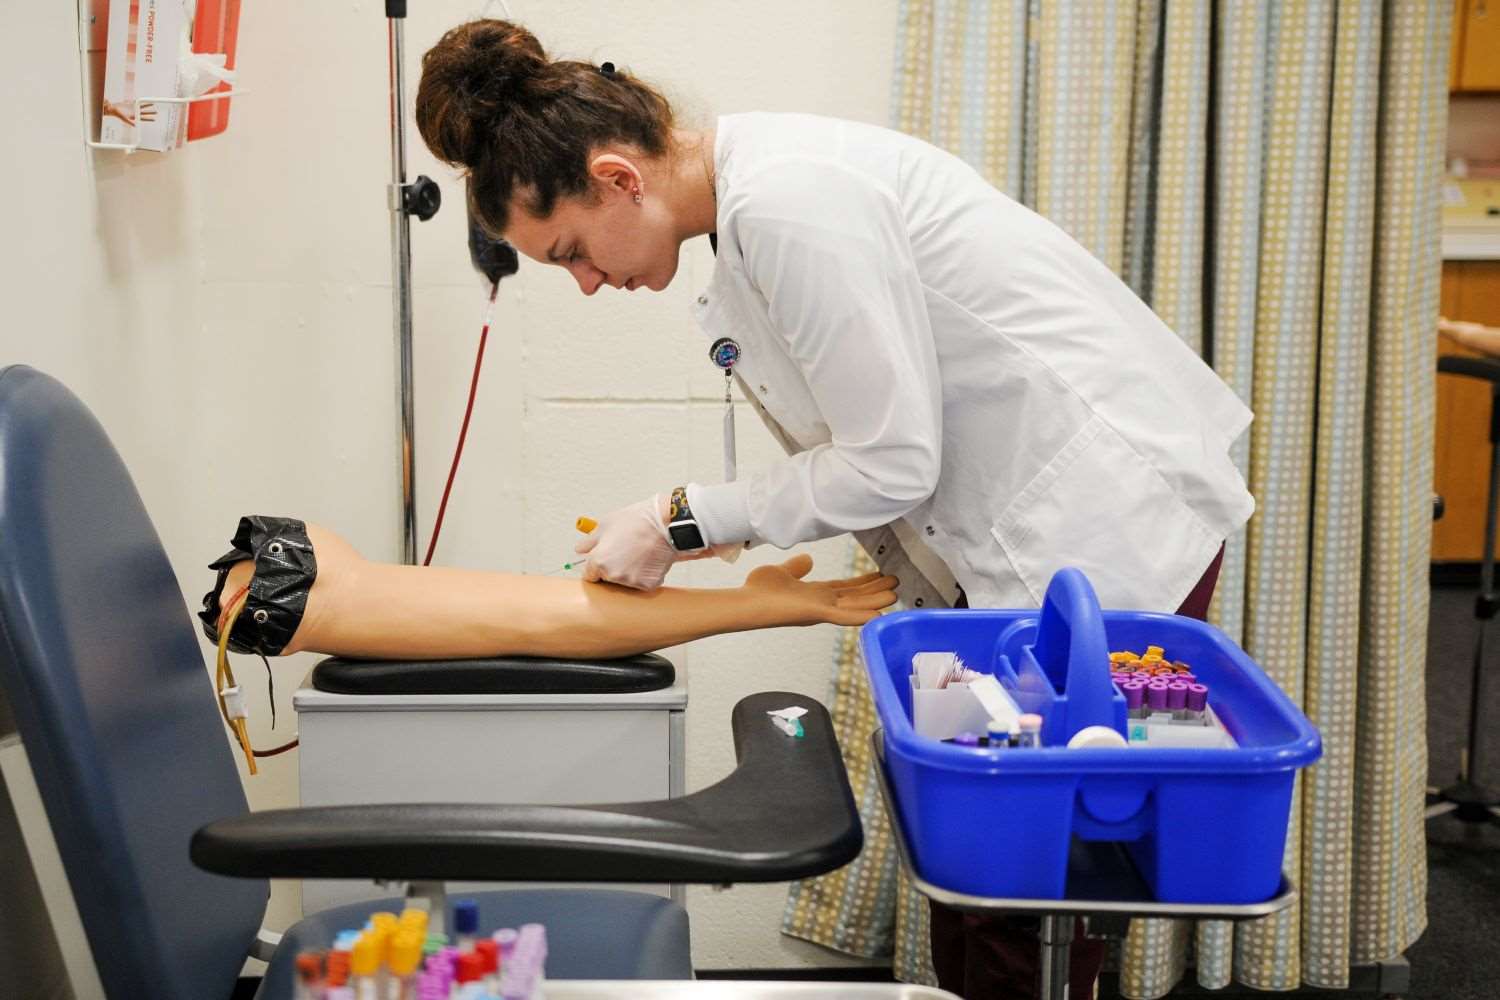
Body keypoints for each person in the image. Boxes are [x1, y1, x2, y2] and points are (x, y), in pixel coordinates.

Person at [414, 20, 1253, 998]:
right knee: (976, 877)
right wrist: (700, 527)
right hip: (1011, 550)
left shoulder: (793, 202)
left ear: (616, 179)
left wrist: (684, 517)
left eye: (569, 254)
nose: (589, 284)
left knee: (1026, 894)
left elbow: (893, 460)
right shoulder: (752, 206)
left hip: (1098, 530)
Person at [199, 516, 898, 662]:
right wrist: (752, 607)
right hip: (273, 587)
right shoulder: (291, 590)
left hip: (281, 572)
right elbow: (537, 621)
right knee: (331, 596)